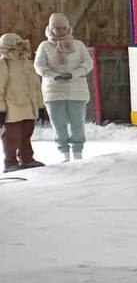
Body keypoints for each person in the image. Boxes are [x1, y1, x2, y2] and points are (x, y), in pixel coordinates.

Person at [33, 13, 93, 162]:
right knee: (58, 124)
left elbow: (87, 63)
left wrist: (74, 74)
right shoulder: (44, 46)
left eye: (63, 27)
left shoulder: (79, 45)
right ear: (50, 29)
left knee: (78, 123)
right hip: (53, 91)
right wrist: (53, 75)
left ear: (68, 28)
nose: (60, 31)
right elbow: (38, 65)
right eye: (56, 28)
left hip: (76, 90)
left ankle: (78, 153)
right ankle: (64, 153)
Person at [0, 33, 46, 172]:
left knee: (26, 132)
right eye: (16, 45)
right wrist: (1, 109)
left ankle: (27, 159)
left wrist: (40, 106)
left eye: (21, 44)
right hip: (12, 106)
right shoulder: (3, 63)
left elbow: (35, 86)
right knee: (12, 135)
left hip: (28, 106)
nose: (20, 48)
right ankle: (10, 163)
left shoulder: (27, 62)